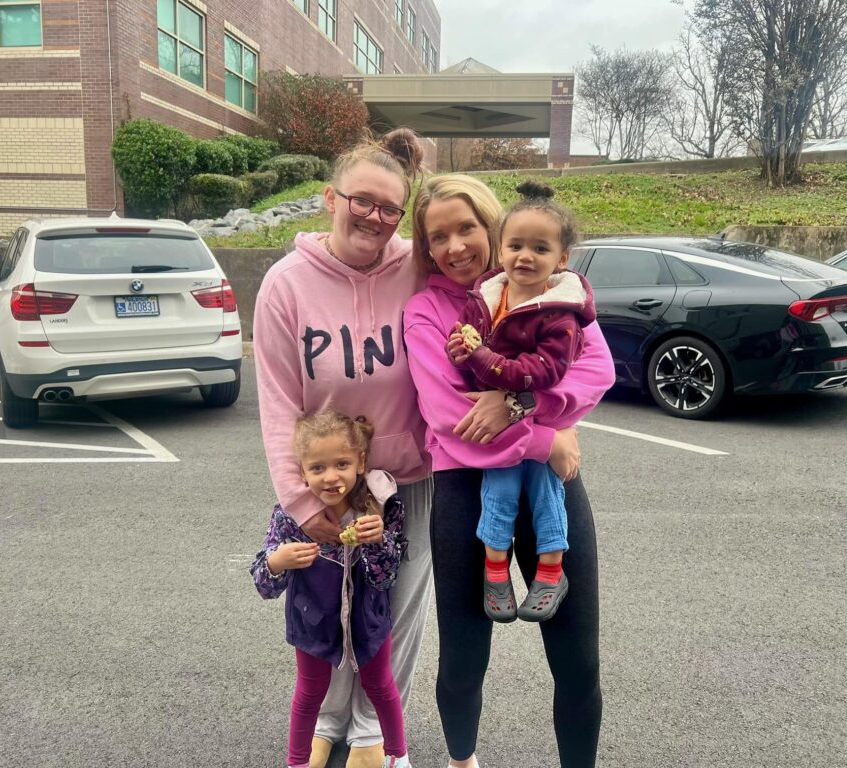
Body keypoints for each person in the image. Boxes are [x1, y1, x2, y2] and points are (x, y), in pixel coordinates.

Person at [403, 174, 616, 768]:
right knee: (466, 653)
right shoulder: (427, 311)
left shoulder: (558, 292)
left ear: (492, 227)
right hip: (468, 487)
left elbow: (595, 372)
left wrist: (519, 406)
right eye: (437, 236)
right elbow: (450, 417)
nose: (455, 247)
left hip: (550, 487)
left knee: (578, 656)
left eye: (466, 227)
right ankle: (462, 760)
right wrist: (547, 436)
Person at [253, 128, 432, 768]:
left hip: (405, 482)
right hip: (326, 481)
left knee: (392, 615)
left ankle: (370, 735)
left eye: (391, 208)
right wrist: (302, 504)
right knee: (326, 603)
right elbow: (277, 404)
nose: (376, 218)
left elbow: (494, 276)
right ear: (331, 197)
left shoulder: (417, 267)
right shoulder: (285, 284)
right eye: (363, 201)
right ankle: (329, 717)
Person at [445, 180, 596, 624]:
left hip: (536, 423)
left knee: (548, 492)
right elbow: (465, 342)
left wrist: (484, 361)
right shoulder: (489, 295)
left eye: (539, 247)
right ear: (500, 248)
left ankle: (551, 571)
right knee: (499, 491)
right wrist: (460, 348)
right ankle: (496, 570)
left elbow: (546, 371)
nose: (524, 256)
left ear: (561, 259)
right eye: (515, 245)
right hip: (506, 432)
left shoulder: (561, 313)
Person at [250, 410, 414, 768]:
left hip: (369, 617)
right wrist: (280, 560)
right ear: (301, 472)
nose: (330, 477)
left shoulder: (380, 504)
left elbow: (388, 575)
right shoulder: (290, 516)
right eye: (318, 468)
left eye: (341, 463)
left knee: (381, 686)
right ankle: (297, 762)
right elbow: (262, 579)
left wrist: (378, 541)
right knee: (309, 692)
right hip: (313, 617)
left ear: (360, 462)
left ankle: (397, 756)